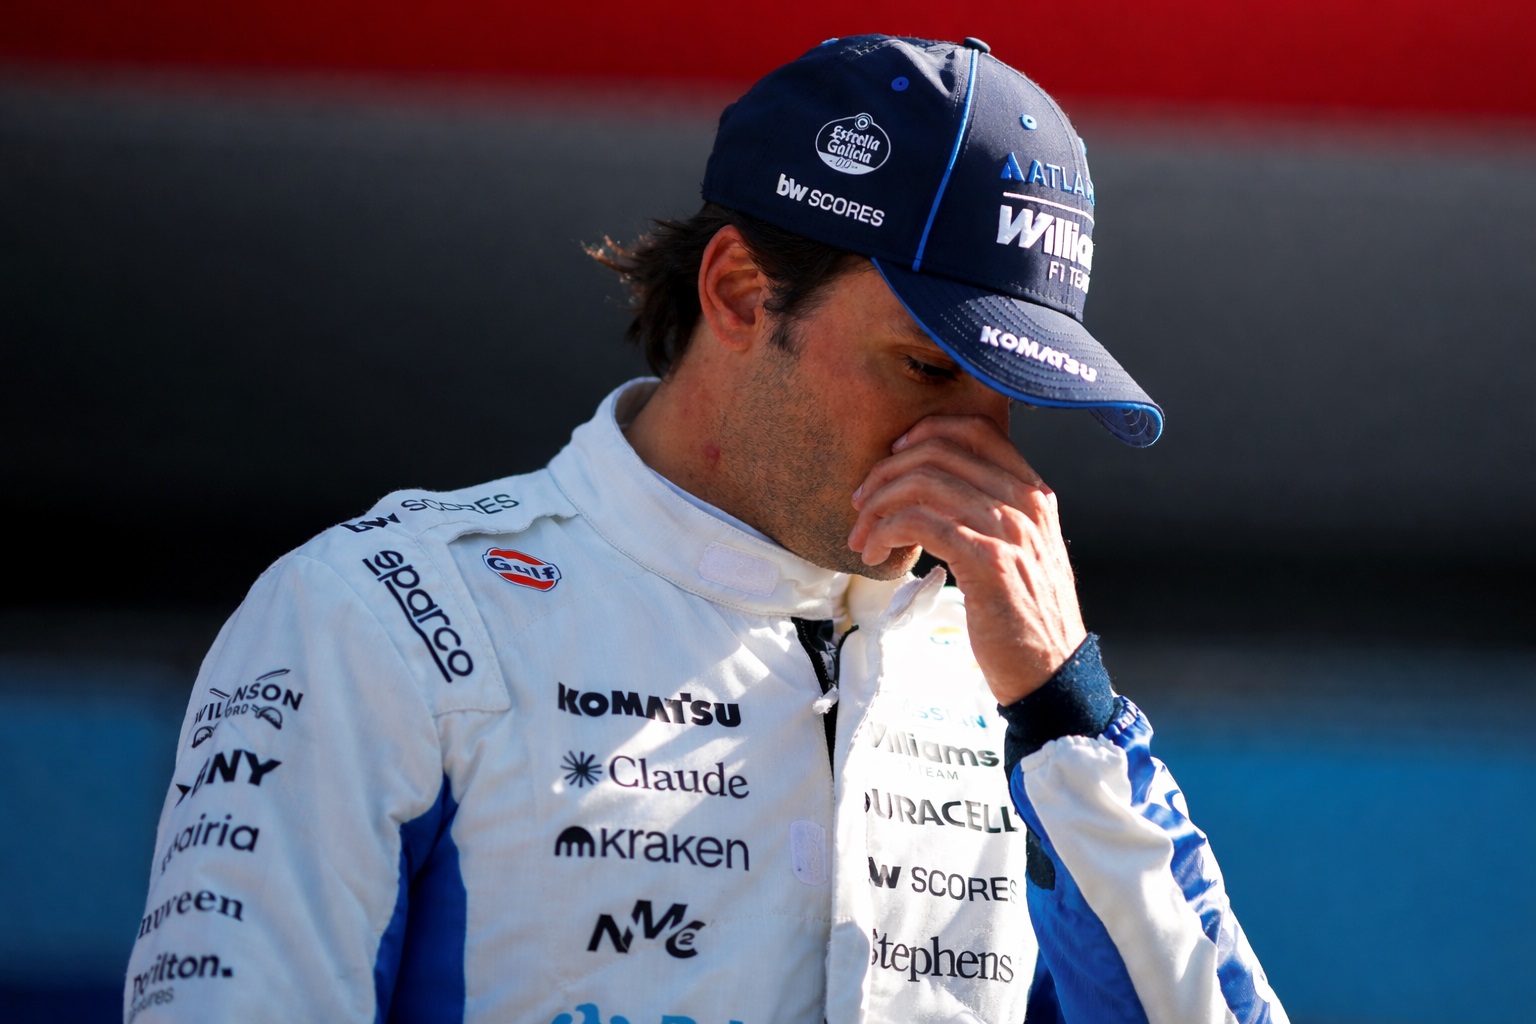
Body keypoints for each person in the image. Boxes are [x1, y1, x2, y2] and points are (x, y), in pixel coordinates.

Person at [124, 33, 1287, 1024]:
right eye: (929, 367)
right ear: (737, 293)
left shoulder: (1014, 690)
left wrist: (1069, 714)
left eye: (1012, 399)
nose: (976, 452)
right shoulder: (384, 616)